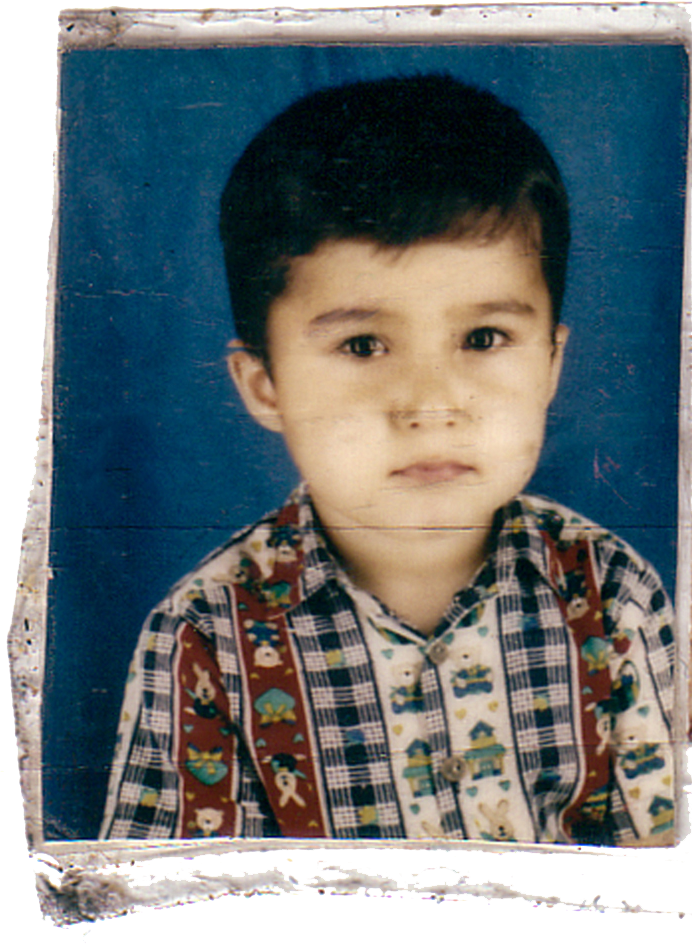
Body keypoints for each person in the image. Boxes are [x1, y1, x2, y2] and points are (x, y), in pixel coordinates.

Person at [100, 74, 676, 846]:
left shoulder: (614, 596)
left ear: (549, 363)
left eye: (483, 339)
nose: (430, 404)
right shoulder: (202, 639)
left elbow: (673, 888)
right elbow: (166, 912)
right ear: (263, 384)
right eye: (364, 345)